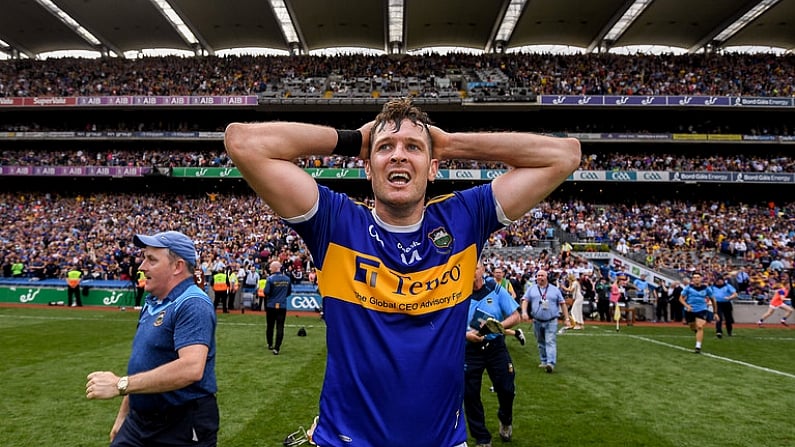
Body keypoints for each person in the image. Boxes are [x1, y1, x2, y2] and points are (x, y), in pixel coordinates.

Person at [224, 97, 580, 447]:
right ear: (366, 165)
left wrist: (450, 143)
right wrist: (353, 139)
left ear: (433, 167)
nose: (398, 155)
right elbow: (243, 141)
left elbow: (565, 156)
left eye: (413, 146)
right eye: (384, 147)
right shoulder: (334, 223)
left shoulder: (465, 218)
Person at [85, 230, 218, 446]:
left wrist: (120, 384)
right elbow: (144, 364)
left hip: (181, 424)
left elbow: (191, 368)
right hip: (139, 421)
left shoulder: (192, 303)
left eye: (151, 260)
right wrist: (123, 416)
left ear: (177, 267)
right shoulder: (152, 302)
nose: (141, 266)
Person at [464, 262, 521, 447]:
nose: (472, 271)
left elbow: (515, 316)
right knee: (470, 394)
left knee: (507, 389)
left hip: (495, 346)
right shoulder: (456, 293)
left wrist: (497, 326)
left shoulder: (495, 289)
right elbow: (445, 323)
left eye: (475, 267)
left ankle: (505, 419)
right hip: (468, 349)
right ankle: (482, 437)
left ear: (482, 270)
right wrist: (466, 335)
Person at [521, 269, 571, 373]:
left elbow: (562, 304)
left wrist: (566, 318)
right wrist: (524, 312)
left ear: (546, 277)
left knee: (550, 341)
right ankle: (544, 360)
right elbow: (525, 300)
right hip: (537, 320)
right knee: (540, 342)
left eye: (542, 275)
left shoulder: (555, 290)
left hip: (551, 320)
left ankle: (550, 363)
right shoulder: (532, 289)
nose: (540, 277)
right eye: (538, 275)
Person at [679, 272, 717, 354]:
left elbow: (713, 300)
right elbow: (681, 299)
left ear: (701, 278)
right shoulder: (688, 288)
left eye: (698, 277)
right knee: (693, 327)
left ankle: (698, 346)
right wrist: (687, 305)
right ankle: (697, 333)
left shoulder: (706, 288)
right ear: (692, 279)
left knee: (700, 326)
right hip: (690, 310)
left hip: (702, 309)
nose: (696, 279)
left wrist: (715, 312)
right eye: (694, 277)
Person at [263, 260, 292, 355]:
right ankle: (277, 348)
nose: (270, 269)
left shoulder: (270, 279)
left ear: (275, 268)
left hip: (271, 305)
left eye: (271, 267)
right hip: (282, 305)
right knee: (280, 327)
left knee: (270, 325)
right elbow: (289, 292)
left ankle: (270, 344)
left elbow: (266, 292)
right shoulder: (287, 279)